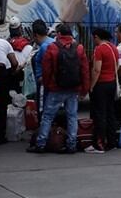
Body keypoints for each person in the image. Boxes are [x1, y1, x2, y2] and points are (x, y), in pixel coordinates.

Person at [29, 23, 89, 154]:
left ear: (59, 34)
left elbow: (46, 70)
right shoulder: (79, 48)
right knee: (72, 116)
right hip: (73, 89)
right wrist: (84, 89)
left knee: (47, 116)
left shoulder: (52, 48)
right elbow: (84, 71)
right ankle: (71, 145)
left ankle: (41, 144)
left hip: (56, 89)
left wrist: (47, 85)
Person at [86, 28, 120, 153]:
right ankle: (111, 142)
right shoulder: (113, 48)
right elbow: (118, 65)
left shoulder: (99, 49)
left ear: (96, 37)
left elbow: (97, 70)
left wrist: (91, 85)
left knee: (99, 114)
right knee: (110, 112)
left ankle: (99, 144)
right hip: (112, 83)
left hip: (101, 84)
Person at [30, 19, 54, 113]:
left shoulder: (44, 47)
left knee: (44, 111)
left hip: (45, 84)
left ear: (35, 35)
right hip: (53, 84)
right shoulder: (53, 42)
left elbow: (47, 67)